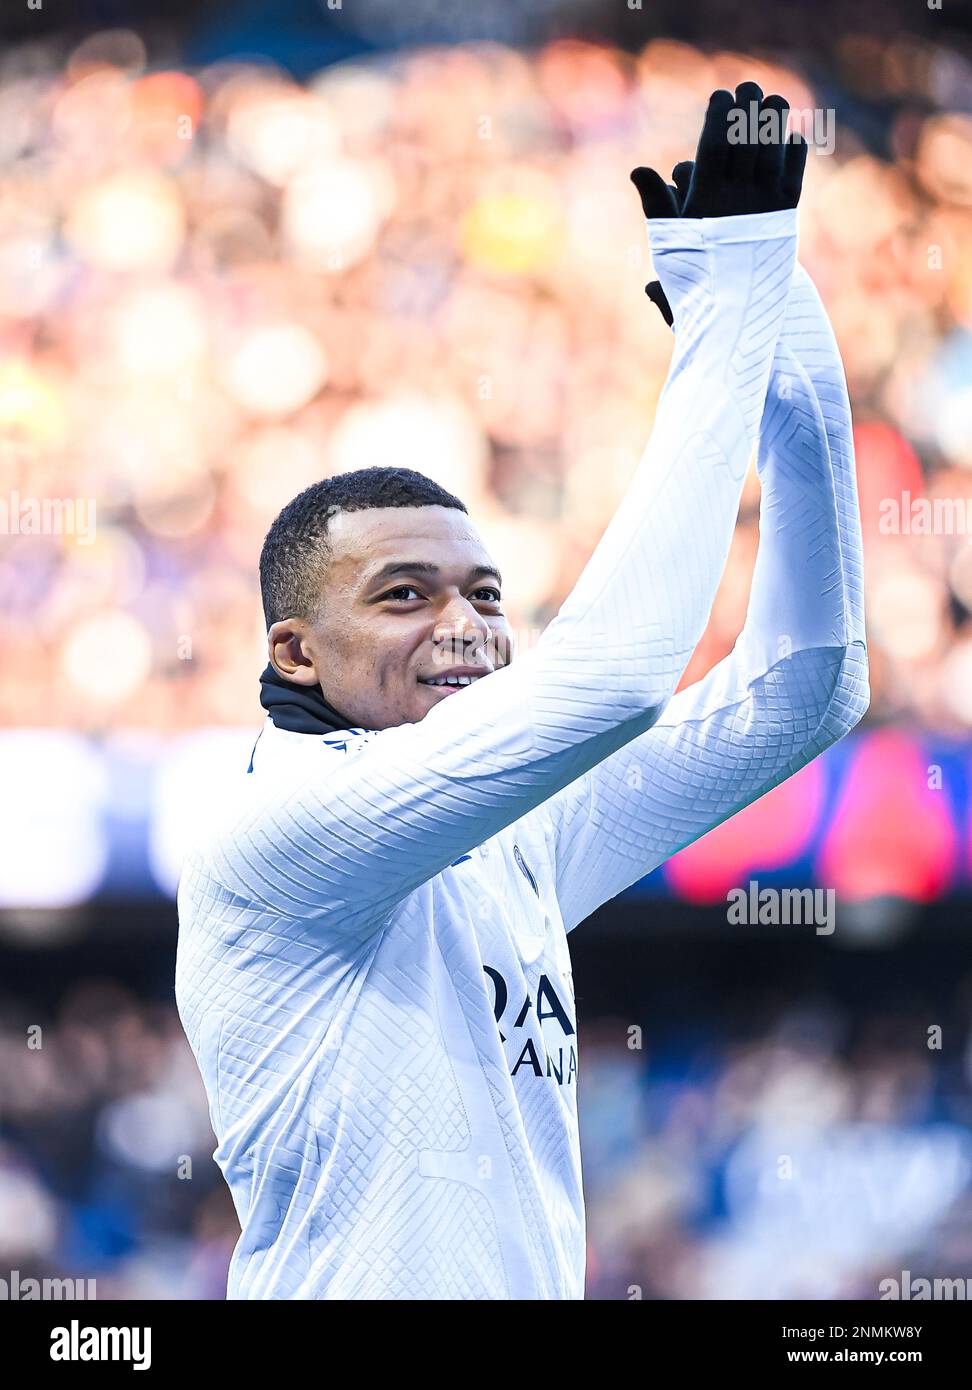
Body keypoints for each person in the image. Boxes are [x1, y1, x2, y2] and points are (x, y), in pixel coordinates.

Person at [175, 82, 868, 1299]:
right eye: (404, 596)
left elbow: (806, 688)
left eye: (486, 595)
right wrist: (726, 307)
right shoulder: (278, 831)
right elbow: (615, 678)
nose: (465, 627)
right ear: (295, 653)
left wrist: (771, 317)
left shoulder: (512, 839)